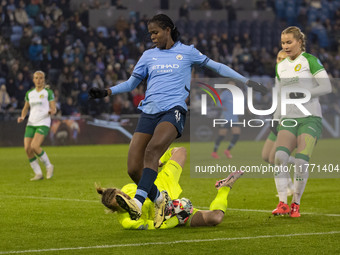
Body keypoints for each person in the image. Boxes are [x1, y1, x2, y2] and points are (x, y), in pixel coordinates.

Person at [89, 14, 266, 228]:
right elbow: (130, 83)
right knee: (133, 168)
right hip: (149, 111)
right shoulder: (148, 56)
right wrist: (106, 92)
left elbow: (217, 67)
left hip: (174, 109)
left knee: (153, 151)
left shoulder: (187, 52)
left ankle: (137, 202)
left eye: (155, 32)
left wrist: (247, 81)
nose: (152, 37)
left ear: (168, 30)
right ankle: (160, 200)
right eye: (150, 34)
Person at [96, 147, 244, 229]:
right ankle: (224, 187)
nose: (126, 199)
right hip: (172, 215)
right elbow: (157, 226)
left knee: (180, 151)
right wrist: (179, 217)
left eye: (123, 196)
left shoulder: (128, 188)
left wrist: (160, 161)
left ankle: (162, 158)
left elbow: (145, 184)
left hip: (164, 183)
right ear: (116, 210)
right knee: (216, 218)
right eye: (121, 203)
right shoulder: (128, 222)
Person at [272, 26, 332, 217]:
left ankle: (295, 204)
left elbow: (327, 87)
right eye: (283, 43)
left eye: (289, 42)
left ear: (299, 42)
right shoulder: (280, 66)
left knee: (301, 162)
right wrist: (276, 117)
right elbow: (279, 94)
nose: (286, 46)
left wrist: (304, 93)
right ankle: (282, 203)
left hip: (310, 118)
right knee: (279, 158)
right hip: (289, 117)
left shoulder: (310, 61)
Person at [261, 50, 295, 197]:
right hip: (277, 120)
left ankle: (287, 191)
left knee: (275, 158)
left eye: (283, 59)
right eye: (278, 58)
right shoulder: (278, 76)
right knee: (265, 156)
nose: (279, 61)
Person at [17, 71, 56, 181]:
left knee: (34, 146)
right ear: (33, 80)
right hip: (31, 123)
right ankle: (38, 173)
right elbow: (26, 107)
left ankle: (49, 166)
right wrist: (22, 117)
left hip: (43, 122)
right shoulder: (30, 93)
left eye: (41, 78)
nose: (38, 80)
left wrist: (52, 111)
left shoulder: (48, 92)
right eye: (36, 78)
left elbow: (54, 108)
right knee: (27, 149)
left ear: (44, 80)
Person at [211, 83, 241, 159]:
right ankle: (214, 152)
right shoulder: (225, 94)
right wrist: (222, 107)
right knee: (221, 135)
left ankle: (227, 150)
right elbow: (218, 103)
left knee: (236, 135)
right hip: (226, 118)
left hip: (234, 118)